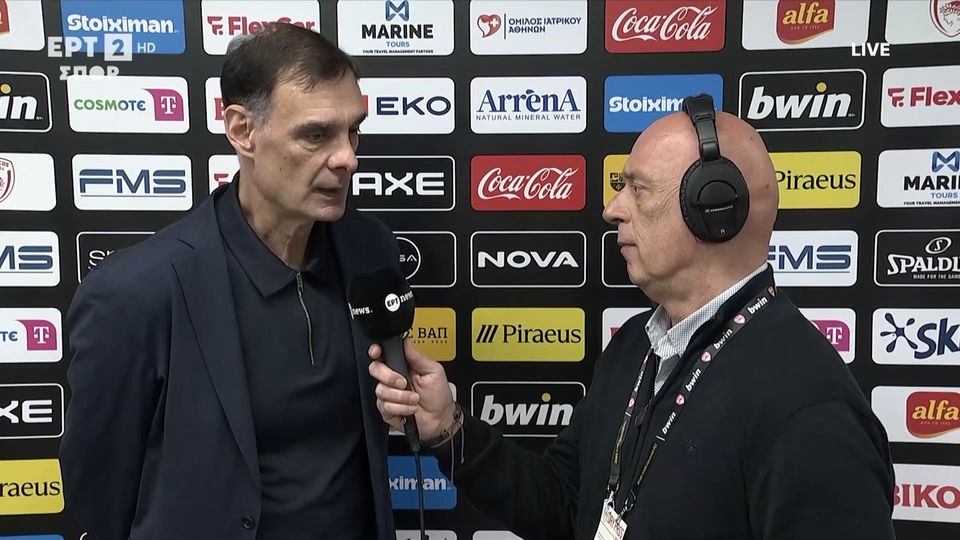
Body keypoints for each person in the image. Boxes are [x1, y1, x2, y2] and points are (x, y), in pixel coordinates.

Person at [369, 96, 896, 540]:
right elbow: (565, 504)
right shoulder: (635, 348)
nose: (612, 209)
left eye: (637, 189)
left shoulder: (808, 411)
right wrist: (448, 429)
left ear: (712, 207)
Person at [60, 23, 400, 540]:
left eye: (353, 130)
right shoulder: (135, 293)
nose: (348, 158)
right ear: (242, 130)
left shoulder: (371, 250)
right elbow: (100, 491)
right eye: (316, 135)